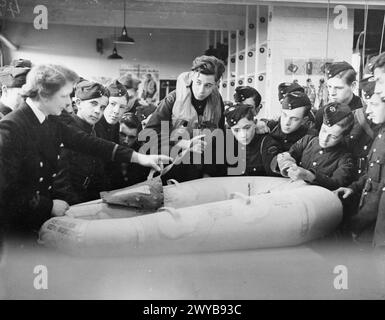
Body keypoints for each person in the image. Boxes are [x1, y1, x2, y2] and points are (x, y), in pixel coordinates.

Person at [0, 64, 171, 233]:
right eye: (65, 96)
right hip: (13, 229)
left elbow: (89, 143)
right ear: (45, 94)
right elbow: (6, 193)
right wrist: (49, 205)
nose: (69, 102)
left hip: (32, 221)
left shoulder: (49, 121)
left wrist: (139, 157)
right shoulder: (11, 128)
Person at [144, 55, 226, 182]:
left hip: (202, 174)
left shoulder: (217, 102)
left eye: (208, 85)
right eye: (198, 83)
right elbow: (148, 136)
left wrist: (209, 173)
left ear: (216, 84)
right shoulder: (172, 99)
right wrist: (184, 144)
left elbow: (220, 140)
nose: (201, 90)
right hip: (173, 171)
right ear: (193, 76)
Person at [335, 52, 385, 247]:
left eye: (373, 104)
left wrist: (354, 224)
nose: (369, 110)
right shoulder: (381, 133)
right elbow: (373, 176)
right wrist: (353, 188)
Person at [53, 80, 111, 205]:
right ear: (78, 103)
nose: (97, 111)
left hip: (91, 200)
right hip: (70, 202)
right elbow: (60, 180)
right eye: (93, 104)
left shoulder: (98, 131)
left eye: (102, 107)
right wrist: (75, 205)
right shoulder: (67, 130)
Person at [277, 102, 356, 191]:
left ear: (343, 137)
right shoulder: (307, 141)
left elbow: (336, 184)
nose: (324, 139)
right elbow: (287, 155)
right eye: (324, 131)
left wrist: (309, 175)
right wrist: (288, 166)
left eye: (333, 136)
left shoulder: (345, 158)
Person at [225, 104, 280, 176]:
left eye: (247, 128)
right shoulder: (226, 143)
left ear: (254, 123)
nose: (243, 135)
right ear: (230, 129)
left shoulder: (266, 143)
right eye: (236, 130)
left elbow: (275, 175)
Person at [109, 113, 149, 189]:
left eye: (131, 137)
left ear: (137, 137)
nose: (126, 141)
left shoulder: (142, 153)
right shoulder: (107, 147)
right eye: (122, 135)